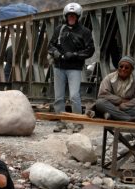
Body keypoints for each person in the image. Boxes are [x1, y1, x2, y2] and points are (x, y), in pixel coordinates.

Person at [48, 2, 95, 132]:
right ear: (65, 16)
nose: (71, 18)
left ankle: (78, 122)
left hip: (74, 68)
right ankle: (61, 122)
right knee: (59, 97)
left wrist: (74, 55)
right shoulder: (59, 29)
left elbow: (90, 50)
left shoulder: (85, 32)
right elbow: (50, 45)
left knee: (74, 96)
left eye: (74, 16)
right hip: (59, 66)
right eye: (69, 16)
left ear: (78, 16)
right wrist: (55, 52)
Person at [92, 56, 135, 122]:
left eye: (127, 68)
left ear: (132, 70)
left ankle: (113, 116)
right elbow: (102, 95)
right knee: (99, 103)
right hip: (111, 105)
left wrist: (125, 105)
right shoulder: (109, 78)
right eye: (121, 66)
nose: (123, 69)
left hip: (126, 108)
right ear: (118, 67)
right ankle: (129, 118)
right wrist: (120, 100)